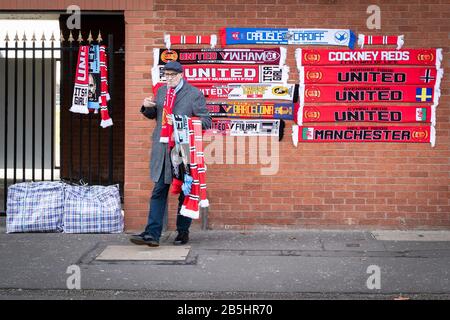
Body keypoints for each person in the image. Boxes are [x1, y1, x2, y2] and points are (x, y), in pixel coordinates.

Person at [130, 61, 211, 247]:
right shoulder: (161, 92)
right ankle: (152, 234)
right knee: (159, 190)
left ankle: (182, 232)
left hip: (183, 151)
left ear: (181, 75)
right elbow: (155, 116)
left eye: (172, 75)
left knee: (185, 191)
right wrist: (147, 107)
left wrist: (183, 125)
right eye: (166, 75)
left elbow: (206, 121)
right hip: (162, 150)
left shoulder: (194, 95)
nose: (169, 79)